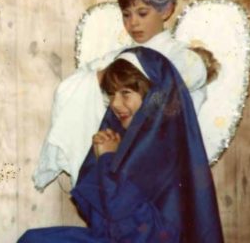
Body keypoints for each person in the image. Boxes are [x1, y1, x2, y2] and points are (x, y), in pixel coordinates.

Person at [20, 48, 224, 242]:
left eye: (125, 93)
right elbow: (99, 215)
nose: (115, 104)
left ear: (154, 98)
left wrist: (108, 162)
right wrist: (101, 162)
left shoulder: (167, 153)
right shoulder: (126, 142)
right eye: (111, 94)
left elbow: (141, 231)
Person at [33, 0, 209, 188]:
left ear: (166, 10)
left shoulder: (183, 57)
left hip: (167, 165)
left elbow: (181, 85)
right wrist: (104, 76)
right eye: (126, 14)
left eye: (142, 13)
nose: (133, 22)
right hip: (121, 160)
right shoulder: (117, 57)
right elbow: (69, 88)